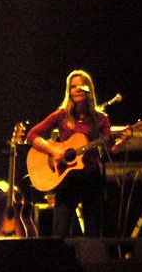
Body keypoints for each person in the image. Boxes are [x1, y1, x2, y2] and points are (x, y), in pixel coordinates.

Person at [26, 70, 132, 237]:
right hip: (66, 178)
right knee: (60, 230)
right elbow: (32, 135)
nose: (77, 89)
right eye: (73, 86)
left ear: (89, 89)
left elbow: (112, 149)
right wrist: (53, 150)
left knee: (93, 232)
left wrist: (124, 140)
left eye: (81, 86)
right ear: (69, 91)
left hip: (91, 177)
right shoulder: (61, 115)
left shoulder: (100, 119)